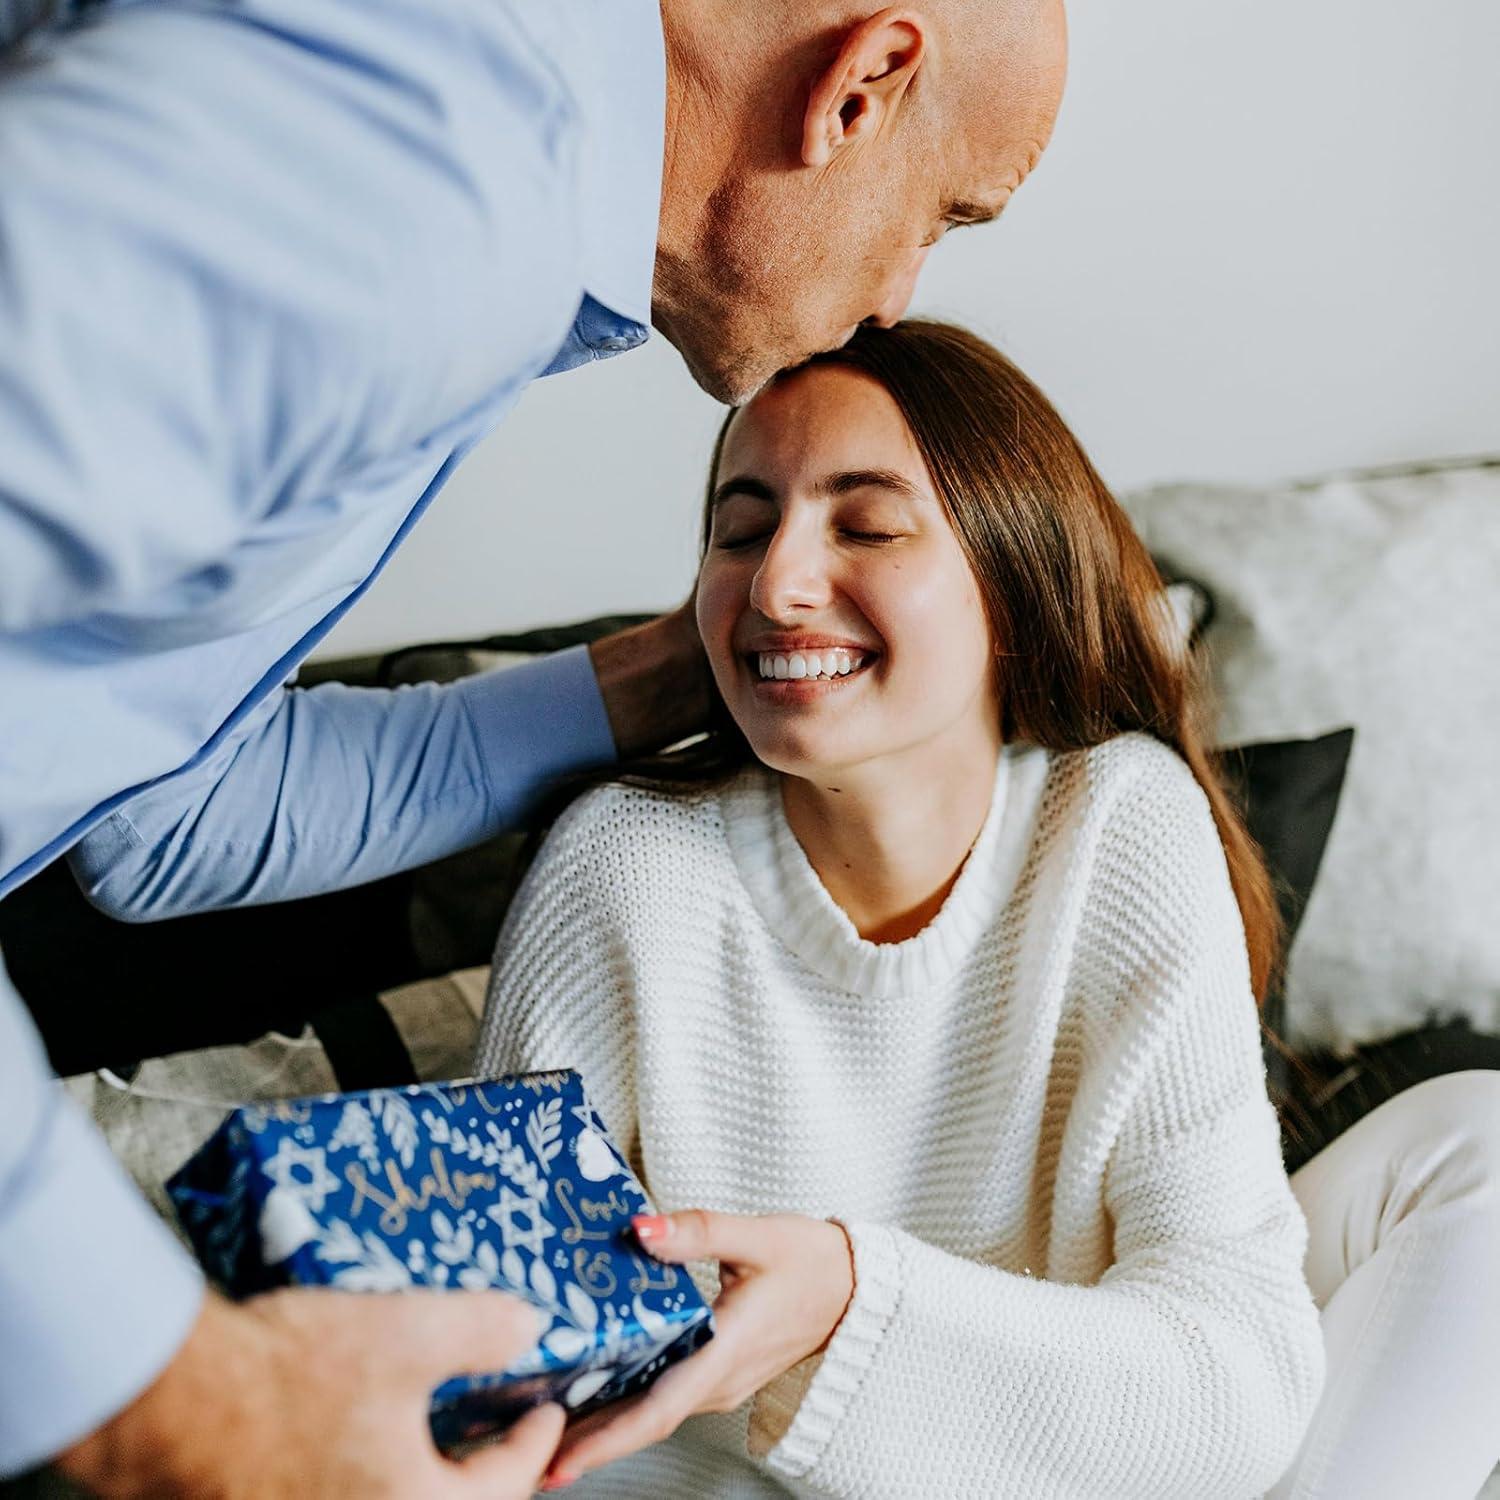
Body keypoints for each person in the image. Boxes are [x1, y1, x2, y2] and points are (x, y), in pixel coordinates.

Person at [0, 0, 1068, 1492]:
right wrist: (175, 1403)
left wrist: (663, 678)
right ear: (863, 85)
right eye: (943, 216)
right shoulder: (418, 152)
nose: (899, 293)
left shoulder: (454, 180)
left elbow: (144, 812)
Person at [476, 321, 1500, 1497]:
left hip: (1091, 1441)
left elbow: (1238, 1391)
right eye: (741, 529)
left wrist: (854, 1307)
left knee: (1480, 1142)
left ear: (1007, 582)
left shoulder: (1121, 825)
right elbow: (511, 1374)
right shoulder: (618, 871)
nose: (777, 583)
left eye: (865, 524)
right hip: (747, 1484)